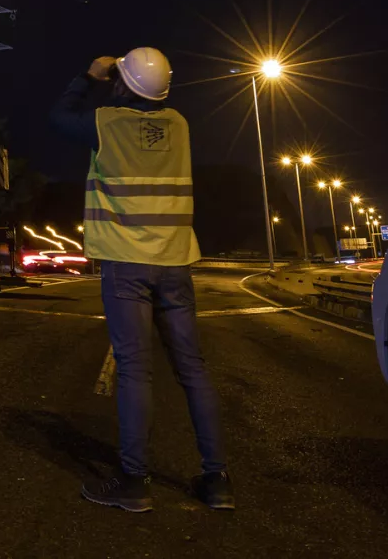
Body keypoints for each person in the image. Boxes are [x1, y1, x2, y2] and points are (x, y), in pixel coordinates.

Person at [51, 47, 232, 514]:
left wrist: (90, 74)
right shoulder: (180, 125)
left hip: (126, 264)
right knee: (192, 370)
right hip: (174, 263)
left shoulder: (105, 122)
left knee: (134, 369)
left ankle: (135, 481)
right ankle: (217, 481)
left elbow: (60, 115)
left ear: (122, 83)